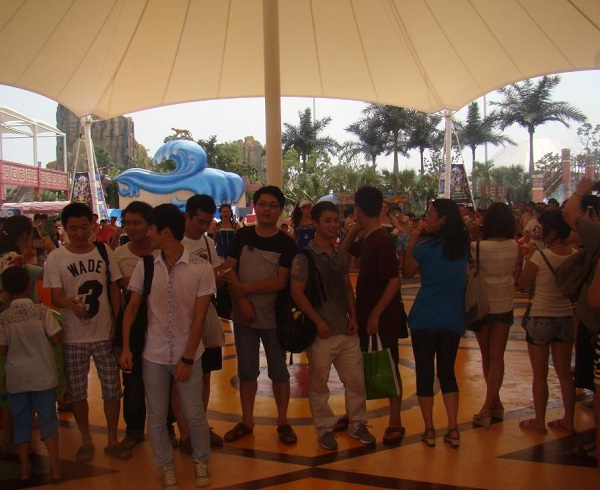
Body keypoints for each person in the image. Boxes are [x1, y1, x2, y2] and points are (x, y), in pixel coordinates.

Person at [119, 203, 215, 489]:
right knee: (157, 415)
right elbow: (132, 308)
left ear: (165, 231)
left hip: (189, 354)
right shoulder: (145, 266)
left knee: (194, 413)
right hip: (153, 354)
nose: (146, 233)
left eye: (150, 227)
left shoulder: (200, 268)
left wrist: (187, 358)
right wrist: (126, 347)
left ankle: (201, 460)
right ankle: (165, 465)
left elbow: (199, 317)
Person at [43, 202, 128, 462]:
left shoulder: (103, 251)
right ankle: (86, 439)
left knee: (112, 389)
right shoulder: (56, 258)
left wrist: (115, 319)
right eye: (73, 228)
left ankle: (112, 439)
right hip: (73, 336)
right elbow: (55, 296)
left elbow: (114, 286)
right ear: (64, 229)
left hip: (104, 333)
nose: (79, 233)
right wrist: (67, 302)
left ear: (92, 226)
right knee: (78, 393)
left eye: (84, 227)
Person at [291, 201, 374, 450]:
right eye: (327, 220)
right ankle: (325, 429)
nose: (333, 225)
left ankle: (357, 423)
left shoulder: (340, 256)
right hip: (321, 334)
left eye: (335, 220)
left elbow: (346, 287)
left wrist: (353, 317)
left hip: (345, 330)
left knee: (356, 381)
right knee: (319, 385)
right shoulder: (304, 257)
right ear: (315, 223)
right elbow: (297, 293)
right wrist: (318, 321)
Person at [223, 185, 298, 445]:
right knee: (247, 371)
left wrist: (245, 289)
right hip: (243, 317)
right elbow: (229, 268)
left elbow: (280, 281)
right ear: (255, 206)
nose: (267, 210)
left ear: (280, 210)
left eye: (273, 205)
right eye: (263, 204)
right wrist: (241, 300)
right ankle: (247, 421)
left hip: (274, 318)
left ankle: (283, 422)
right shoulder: (243, 235)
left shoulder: (287, 243)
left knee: (279, 370)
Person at [341, 186, 406, 445]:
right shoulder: (370, 238)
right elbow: (344, 251)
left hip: (382, 317)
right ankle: (352, 413)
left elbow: (394, 281)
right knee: (361, 365)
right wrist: (355, 229)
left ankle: (395, 420)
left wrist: (375, 314)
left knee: (389, 365)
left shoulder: (381, 241)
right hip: (368, 314)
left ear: (358, 208)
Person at [403, 199, 469, 449]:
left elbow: (408, 272)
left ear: (442, 220)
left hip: (424, 318)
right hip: (452, 319)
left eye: (431, 214)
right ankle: (453, 427)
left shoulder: (424, 248)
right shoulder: (461, 250)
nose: (426, 218)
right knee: (447, 374)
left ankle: (429, 428)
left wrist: (412, 241)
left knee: (424, 374)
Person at [0, 265, 62, 482]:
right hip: (43, 375)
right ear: (29, 285)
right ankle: (55, 468)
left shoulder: (4, 318)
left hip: (17, 378)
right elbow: (56, 338)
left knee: (21, 422)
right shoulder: (42, 312)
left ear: (5, 290)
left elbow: (2, 348)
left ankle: (25, 469)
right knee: (48, 420)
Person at [517, 209, 577, 435]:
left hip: (541, 316)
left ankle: (539, 421)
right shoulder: (575, 255)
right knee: (564, 373)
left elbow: (523, 284)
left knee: (539, 374)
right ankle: (568, 420)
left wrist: (528, 258)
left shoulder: (540, 256)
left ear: (551, 230)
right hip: (566, 316)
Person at [182, 194, 226, 448]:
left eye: (208, 222)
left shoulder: (209, 243)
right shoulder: (174, 243)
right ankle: (186, 431)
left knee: (206, 375)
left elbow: (213, 276)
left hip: (206, 314)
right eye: (199, 222)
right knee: (183, 377)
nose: (203, 227)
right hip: (182, 318)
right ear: (186, 216)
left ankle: (201, 426)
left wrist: (220, 278)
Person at [471, 203, 519, 428]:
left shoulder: (477, 247)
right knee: (497, 356)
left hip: (482, 305)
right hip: (504, 303)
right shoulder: (515, 246)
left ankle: (487, 408)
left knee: (486, 355)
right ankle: (495, 403)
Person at [113, 201, 155, 452]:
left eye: (136, 223)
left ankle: (167, 428)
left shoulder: (162, 250)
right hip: (132, 323)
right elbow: (117, 291)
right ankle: (134, 431)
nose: (131, 228)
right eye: (127, 223)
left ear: (150, 225)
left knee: (164, 380)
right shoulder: (119, 254)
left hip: (160, 322)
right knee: (132, 382)